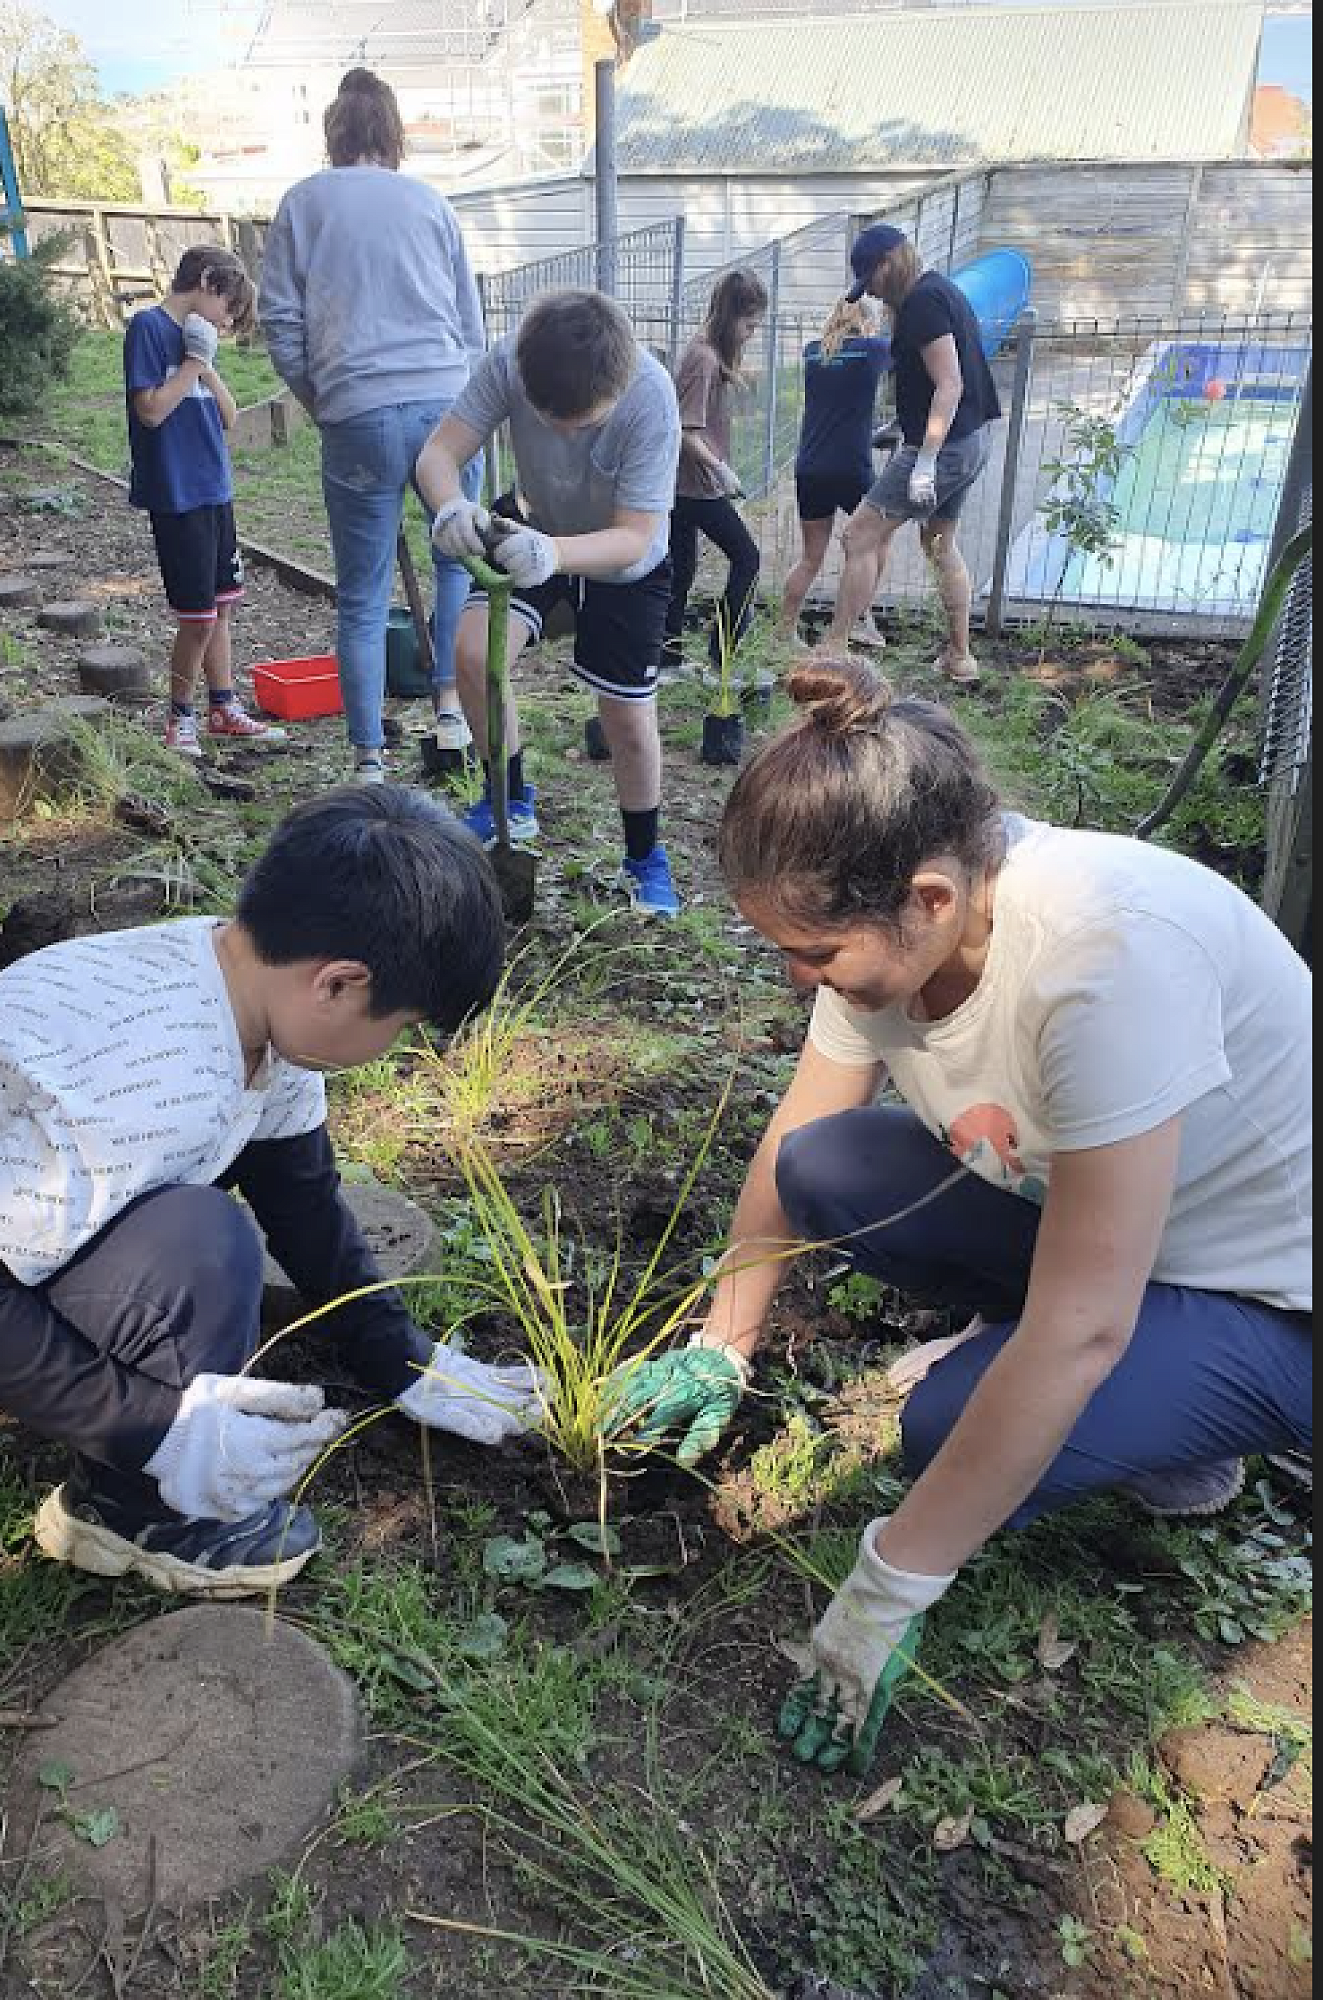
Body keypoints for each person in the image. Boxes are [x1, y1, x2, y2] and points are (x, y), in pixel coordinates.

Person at [613, 660, 1312, 1772]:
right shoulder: (897, 927)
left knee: (946, 1426)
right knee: (825, 1164)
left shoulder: (1103, 958)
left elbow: (1083, 1325)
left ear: (930, 897)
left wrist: (887, 1586)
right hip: (1127, 1235)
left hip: (1271, 1299)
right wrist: (722, 1340)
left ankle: (1185, 1435)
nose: (797, 978)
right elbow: (798, 1130)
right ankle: (1105, 1380)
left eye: (813, 953)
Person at [0, 790, 545, 1601]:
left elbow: (301, 1199)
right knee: (200, 1240)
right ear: (337, 983)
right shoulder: (152, 1081)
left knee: (203, 1226)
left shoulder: (249, 988)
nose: (393, 1049)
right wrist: (158, 1432)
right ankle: (134, 1509)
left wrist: (402, 1359)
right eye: (401, 1027)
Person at [417, 289, 684, 918]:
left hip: (621, 561)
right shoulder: (511, 359)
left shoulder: (651, 397)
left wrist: (556, 554)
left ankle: (645, 858)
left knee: (626, 719)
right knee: (472, 654)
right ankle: (509, 801)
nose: (563, 433)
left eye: (583, 425)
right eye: (547, 418)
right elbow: (439, 452)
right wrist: (449, 505)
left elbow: (635, 536)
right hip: (529, 530)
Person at [260, 69, 487, 783]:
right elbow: (469, 324)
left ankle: (367, 759)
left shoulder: (302, 204)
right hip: (446, 406)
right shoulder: (429, 203)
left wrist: (322, 398)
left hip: (358, 410)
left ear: (334, 133)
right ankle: (450, 708)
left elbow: (279, 321)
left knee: (361, 595)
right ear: (393, 134)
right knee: (456, 561)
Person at [823, 226, 1003, 685]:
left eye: (872, 277)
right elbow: (933, 380)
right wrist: (901, 426)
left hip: (942, 448)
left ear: (891, 262)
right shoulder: (941, 291)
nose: (871, 290)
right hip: (970, 441)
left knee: (859, 536)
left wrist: (925, 458)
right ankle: (960, 658)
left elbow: (950, 384)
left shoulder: (922, 303)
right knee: (939, 543)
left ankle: (835, 652)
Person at [125, 245, 286, 757]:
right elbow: (151, 411)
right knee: (197, 617)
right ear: (206, 282)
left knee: (222, 605)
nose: (228, 320)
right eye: (228, 307)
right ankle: (180, 718)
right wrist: (194, 363)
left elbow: (229, 416)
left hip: (215, 489)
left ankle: (222, 706)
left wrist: (206, 364)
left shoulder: (199, 341)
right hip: (178, 495)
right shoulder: (149, 329)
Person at [663, 270, 769, 678]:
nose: (751, 334)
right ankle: (722, 651)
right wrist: (719, 469)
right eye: (749, 325)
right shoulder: (703, 359)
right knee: (747, 558)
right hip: (695, 487)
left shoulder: (708, 355)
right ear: (730, 316)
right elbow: (686, 430)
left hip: (688, 485)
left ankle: (668, 658)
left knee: (681, 570)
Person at [781, 295, 893, 650]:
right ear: (868, 322)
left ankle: (784, 632)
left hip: (810, 466)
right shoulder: (873, 351)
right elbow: (906, 356)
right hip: (851, 466)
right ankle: (856, 620)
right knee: (872, 543)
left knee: (810, 558)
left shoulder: (814, 352)